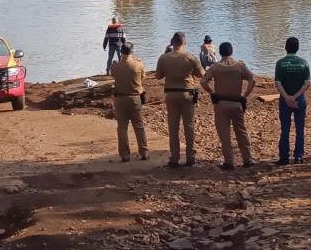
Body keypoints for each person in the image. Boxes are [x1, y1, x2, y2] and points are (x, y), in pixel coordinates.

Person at [201, 42, 257, 170]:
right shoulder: (239, 66)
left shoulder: (215, 67)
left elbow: (203, 81)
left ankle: (229, 162)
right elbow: (252, 80)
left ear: (220, 53)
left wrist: (212, 92)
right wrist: (245, 95)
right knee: (241, 132)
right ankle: (247, 159)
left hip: (221, 103)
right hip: (237, 102)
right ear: (231, 52)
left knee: (224, 133)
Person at [155, 32, 205, 167]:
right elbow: (202, 74)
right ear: (184, 42)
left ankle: (174, 157)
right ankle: (190, 157)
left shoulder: (163, 58)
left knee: (173, 127)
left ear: (172, 42)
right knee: (189, 125)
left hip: (171, 94)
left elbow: (158, 76)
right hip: (187, 94)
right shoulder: (190, 57)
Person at [274, 37, 311, 165]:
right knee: (300, 128)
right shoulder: (304, 63)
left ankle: (284, 157)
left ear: (285, 47)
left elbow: (278, 83)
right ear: (298, 48)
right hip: (299, 99)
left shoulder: (280, 63)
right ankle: (299, 156)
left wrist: (287, 97)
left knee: (285, 129)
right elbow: (307, 83)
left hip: (285, 100)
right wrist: (295, 97)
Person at [110, 42, 148, 162]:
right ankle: (144, 152)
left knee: (122, 127)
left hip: (120, 98)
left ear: (121, 52)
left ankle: (125, 155)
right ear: (132, 52)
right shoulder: (138, 64)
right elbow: (143, 76)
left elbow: (113, 75)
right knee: (139, 126)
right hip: (135, 98)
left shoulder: (115, 66)